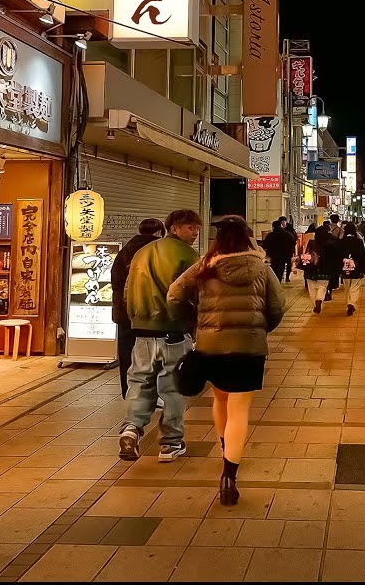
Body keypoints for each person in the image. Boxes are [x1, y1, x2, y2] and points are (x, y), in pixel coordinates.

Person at [168, 215, 283, 506]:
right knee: (239, 409)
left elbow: (174, 294)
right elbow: (277, 306)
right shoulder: (261, 267)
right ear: (247, 237)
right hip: (249, 348)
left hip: (212, 346)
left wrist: (194, 324)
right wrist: (259, 329)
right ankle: (229, 476)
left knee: (220, 400)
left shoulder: (206, 265)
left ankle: (225, 448)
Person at [119, 209, 203, 462]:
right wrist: (193, 324)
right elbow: (195, 294)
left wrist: (134, 318)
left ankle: (131, 428)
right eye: (190, 227)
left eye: (197, 228)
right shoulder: (188, 255)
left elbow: (127, 290)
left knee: (140, 382)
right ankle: (170, 443)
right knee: (172, 388)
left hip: (142, 332)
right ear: (174, 228)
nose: (195, 233)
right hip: (174, 332)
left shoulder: (142, 253)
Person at [110, 218, 166, 399]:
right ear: (159, 232)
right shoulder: (157, 250)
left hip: (124, 311)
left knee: (126, 352)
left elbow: (115, 281)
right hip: (148, 310)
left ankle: (128, 390)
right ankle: (150, 392)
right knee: (152, 353)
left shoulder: (125, 251)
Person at [336, 223, 365, 316]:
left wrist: (338, 268)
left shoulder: (341, 242)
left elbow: (338, 257)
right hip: (356, 268)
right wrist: (364, 269)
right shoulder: (358, 242)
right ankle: (351, 303)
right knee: (355, 286)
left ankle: (349, 303)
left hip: (344, 268)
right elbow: (362, 256)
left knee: (347, 287)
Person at [303, 224, 335, 313]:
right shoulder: (330, 244)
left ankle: (315, 303)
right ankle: (319, 300)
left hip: (311, 268)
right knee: (322, 286)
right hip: (324, 269)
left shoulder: (311, 242)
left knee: (312, 287)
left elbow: (306, 253)